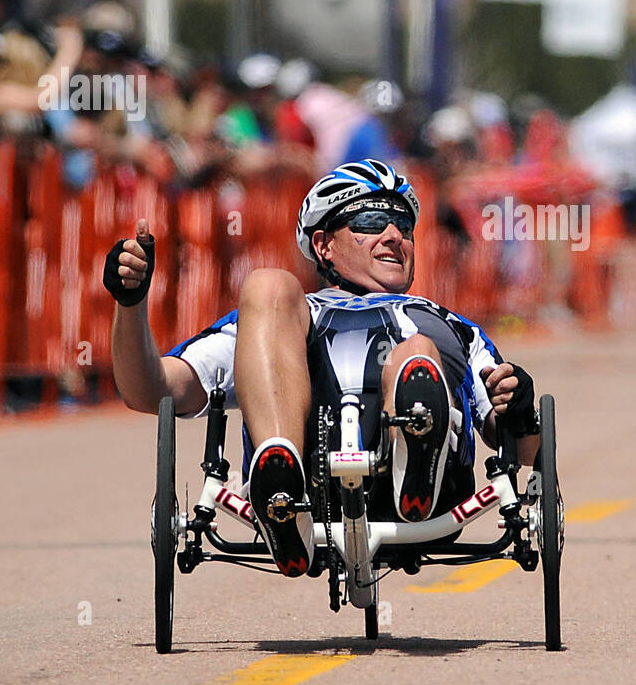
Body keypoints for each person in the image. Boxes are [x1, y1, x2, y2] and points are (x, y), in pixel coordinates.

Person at [104, 158, 541, 577]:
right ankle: (281, 485)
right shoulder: (275, 318)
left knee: (417, 350)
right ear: (323, 244)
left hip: (435, 501)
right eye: (370, 222)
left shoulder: (450, 325)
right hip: (309, 497)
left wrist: (518, 408)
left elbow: (527, 452)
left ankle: (414, 466)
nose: (393, 235)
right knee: (267, 282)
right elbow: (149, 390)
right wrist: (131, 305)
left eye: (403, 226)